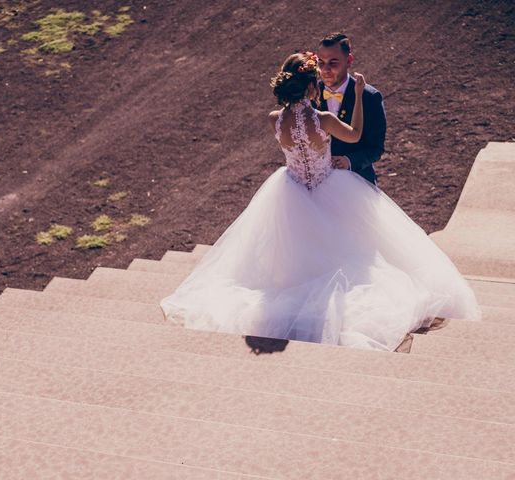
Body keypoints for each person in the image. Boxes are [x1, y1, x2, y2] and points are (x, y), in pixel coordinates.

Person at [159, 51, 480, 352]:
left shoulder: (275, 120)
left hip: (291, 189)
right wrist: (356, 95)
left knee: (292, 253)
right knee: (348, 249)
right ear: (311, 87)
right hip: (330, 186)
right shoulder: (323, 119)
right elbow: (354, 135)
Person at [317, 32, 386, 185]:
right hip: (318, 185)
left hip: (357, 183)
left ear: (349, 61)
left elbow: (376, 148)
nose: (325, 70)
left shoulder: (370, 97)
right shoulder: (309, 93)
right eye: (321, 62)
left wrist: (349, 161)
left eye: (333, 62)